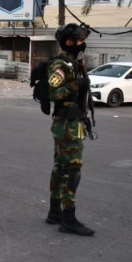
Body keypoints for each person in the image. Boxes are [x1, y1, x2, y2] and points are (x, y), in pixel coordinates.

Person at [46, 23, 95, 237]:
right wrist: (77, 85)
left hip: (71, 121)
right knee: (72, 169)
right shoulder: (61, 64)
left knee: (60, 167)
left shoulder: (73, 63)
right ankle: (68, 217)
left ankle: (54, 212)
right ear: (69, 42)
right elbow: (53, 93)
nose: (82, 44)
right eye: (79, 40)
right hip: (67, 123)